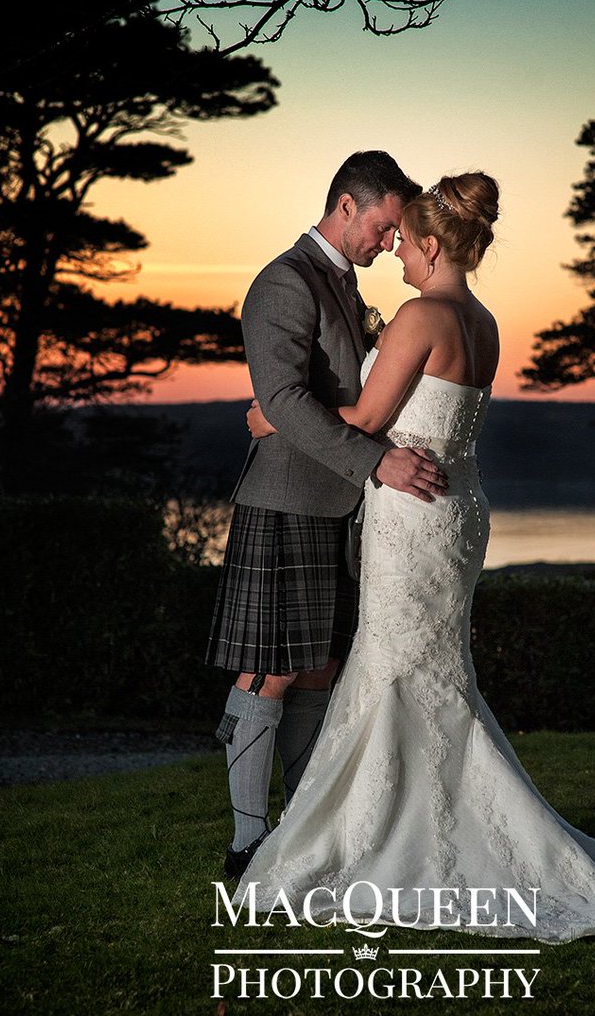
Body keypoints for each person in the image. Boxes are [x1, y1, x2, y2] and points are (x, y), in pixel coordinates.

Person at [233, 171, 595, 940]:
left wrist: (273, 417)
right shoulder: (484, 319)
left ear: (433, 245)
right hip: (459, 510)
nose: (396, 252)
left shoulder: (418, 315)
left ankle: (377, 831)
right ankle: (399, 816)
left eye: (405, 242)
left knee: (398, 667)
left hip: (412, 511)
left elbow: (372, 416)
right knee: (428, 673)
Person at [205, 150, 448, 882]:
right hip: (287, 500)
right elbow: (279, 403)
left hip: (337, 504)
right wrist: (376, 460)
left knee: (319, 670)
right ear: (347, 205)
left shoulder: (342, 282)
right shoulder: (285, 281)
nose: (385, 243)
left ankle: (302, 826)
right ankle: (247, 844)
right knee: (268, 673)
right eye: (381, 227)